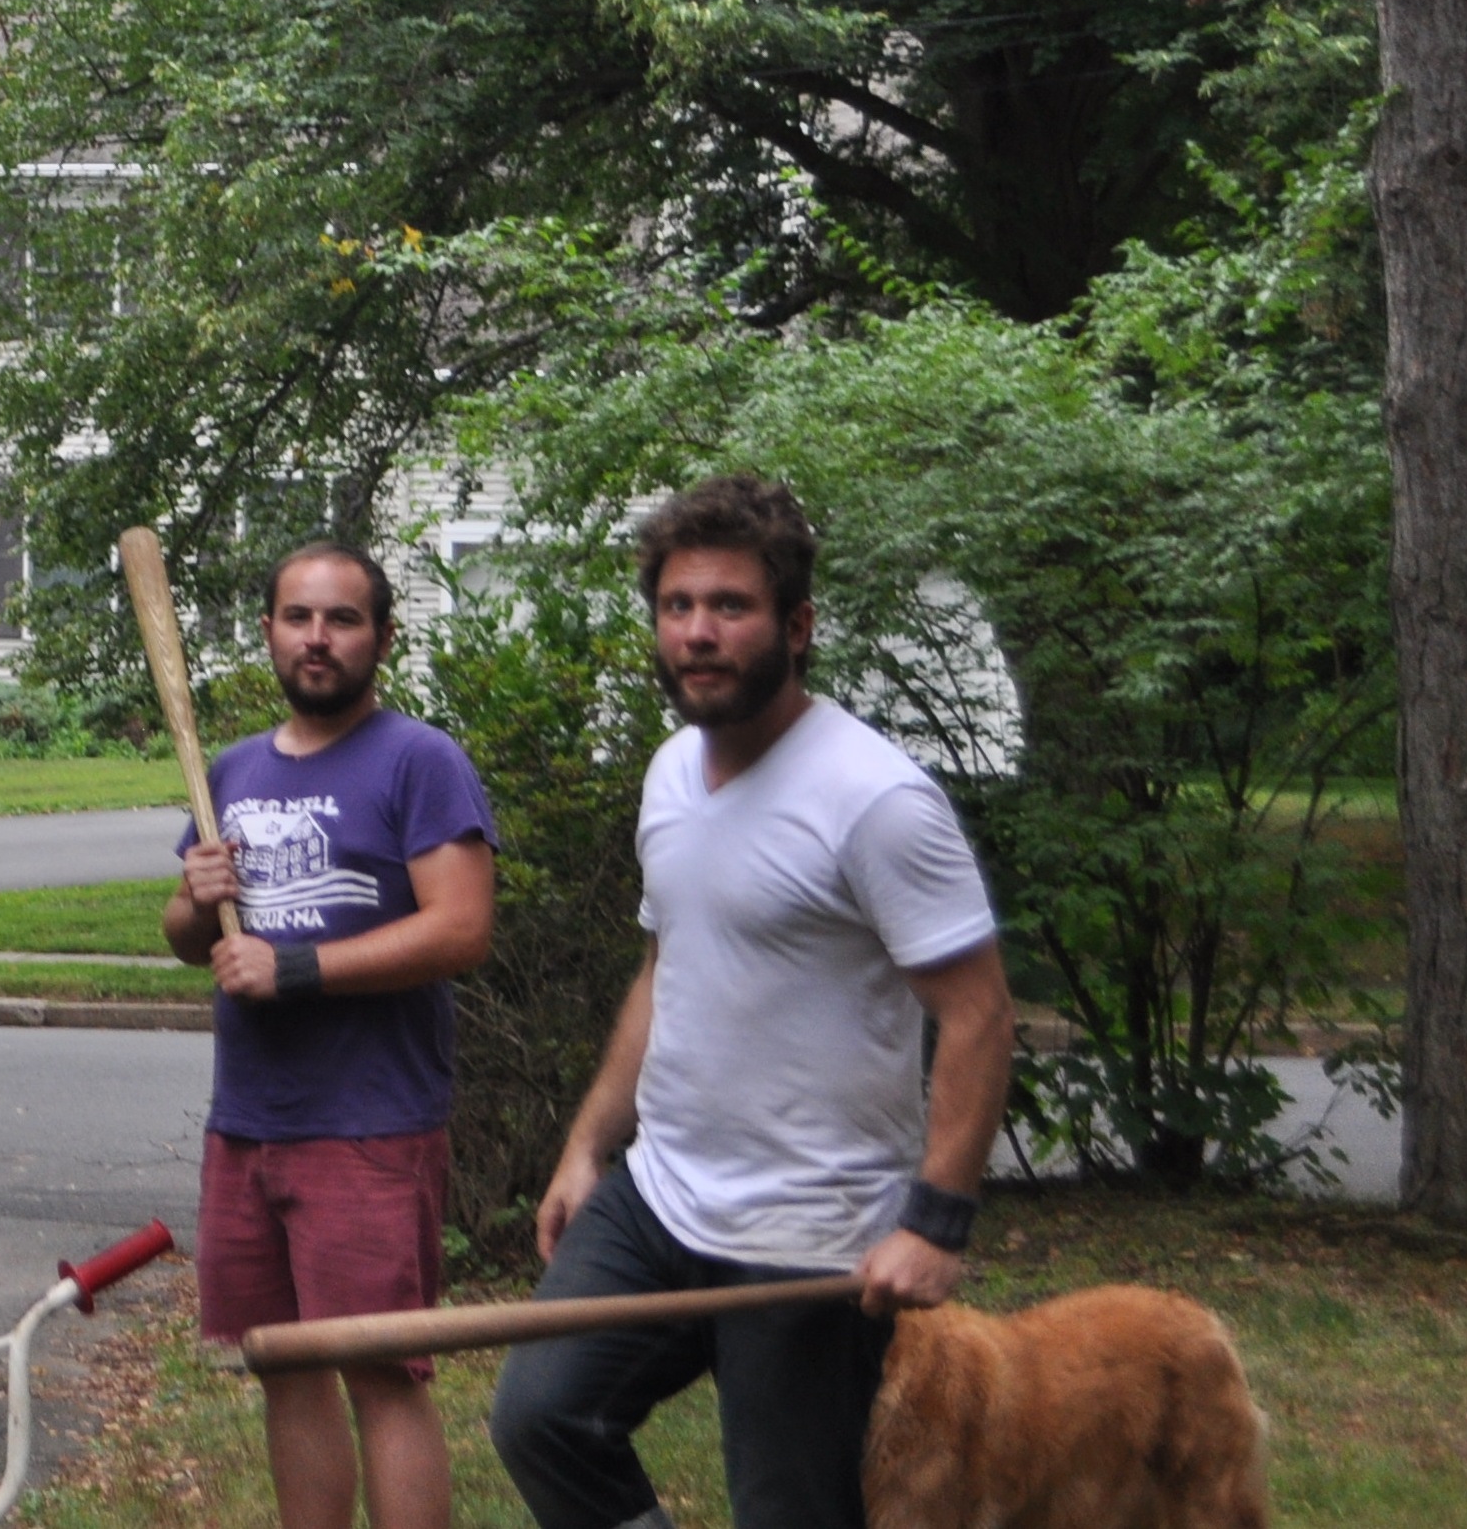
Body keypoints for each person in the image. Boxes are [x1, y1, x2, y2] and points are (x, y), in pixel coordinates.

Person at [488, 476, 1017, 1529]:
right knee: (542, 1417)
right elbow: (665, 969)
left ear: (797, 625)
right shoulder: (669, 774)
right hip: (660, 1196)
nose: (697, 632)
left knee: (791, 1512)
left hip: (809, 1233)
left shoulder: (873, 797)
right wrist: (588, 1147)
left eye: (730, 605)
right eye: (677, 606)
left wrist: (935, 1222)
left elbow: (979, 1014)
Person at [163, 540, 499, 1529]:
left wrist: (298, 968)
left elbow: (461, 929)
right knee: (283, 1366)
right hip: (248, 1123)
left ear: (382, 638)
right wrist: (196, 897)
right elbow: (187, 940)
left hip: (369, 1126)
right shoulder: (232, 769)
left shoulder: (419, 760)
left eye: (343, 619)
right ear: (269, 631)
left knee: (381, 1371)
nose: (318, 638)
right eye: (299, 617)